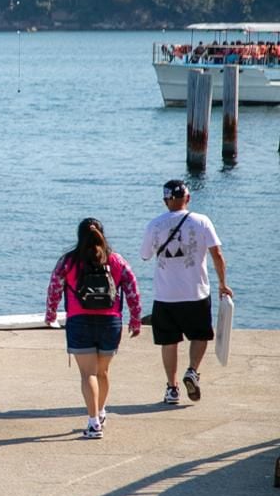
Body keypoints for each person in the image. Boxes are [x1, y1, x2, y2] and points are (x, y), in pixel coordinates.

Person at [45, 218, 142, 439]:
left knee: (88, 373)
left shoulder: (68, 261)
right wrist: (135, 319)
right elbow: (132, 288)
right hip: (111, 322)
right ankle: (100, 411)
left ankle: (93, 422)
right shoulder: (116, 260)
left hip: (80, 321)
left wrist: (51, 315)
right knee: (102, 372)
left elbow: (54, 288)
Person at [140, 179, 231, 405]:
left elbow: (145, 255)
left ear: (165, 201)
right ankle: (192, 370)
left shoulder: (154, 225)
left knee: (168, 342)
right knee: (200, 335)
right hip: (196, 292)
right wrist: (222, 283)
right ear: (187, 198)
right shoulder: (202, 221)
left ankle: (172, 388)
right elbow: (217, 254)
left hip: (165, 294)